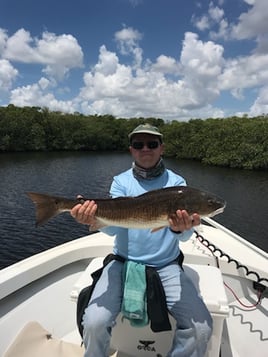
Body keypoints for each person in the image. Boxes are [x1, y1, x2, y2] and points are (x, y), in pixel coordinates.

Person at [71, 124, 213, 357]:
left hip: (166, 264)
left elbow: (187, 235)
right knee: (95, 323)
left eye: (152, 144)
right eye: (139, 144)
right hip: (123, 262)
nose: (145, 149)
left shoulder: (178, 184)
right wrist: (92, 220)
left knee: (201, 327)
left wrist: (180, 230)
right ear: (131, 150)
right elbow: (115, 229)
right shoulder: (120, 182)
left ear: (161, 148)